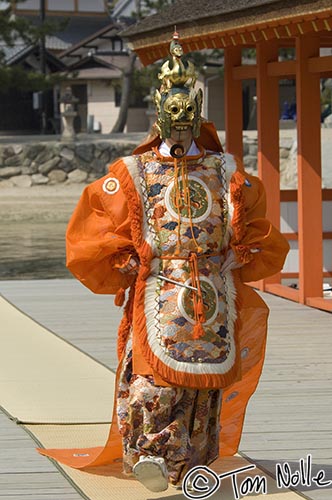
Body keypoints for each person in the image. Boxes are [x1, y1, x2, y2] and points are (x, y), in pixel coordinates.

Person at [38, 33, 289, 492]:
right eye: (172, 118)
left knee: (202, 386)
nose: (180, 126)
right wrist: (126, 259)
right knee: (152, 380)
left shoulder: (226, 170)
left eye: (187, 116)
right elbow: (97, 225)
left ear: (196, 113)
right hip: (160, 286)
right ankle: (150, 453)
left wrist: (238, 252)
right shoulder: (133, 173)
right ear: (159, 113)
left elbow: (254, 225)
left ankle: (187, 462)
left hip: (213, 291)